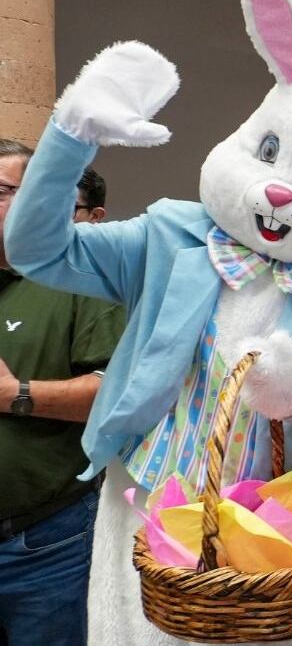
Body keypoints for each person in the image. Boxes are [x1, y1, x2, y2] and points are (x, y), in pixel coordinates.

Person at [0, 142, 124, 646]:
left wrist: (14, 393)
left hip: (42, 542)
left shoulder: (80, 279)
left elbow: (115, 395)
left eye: (2, 190)